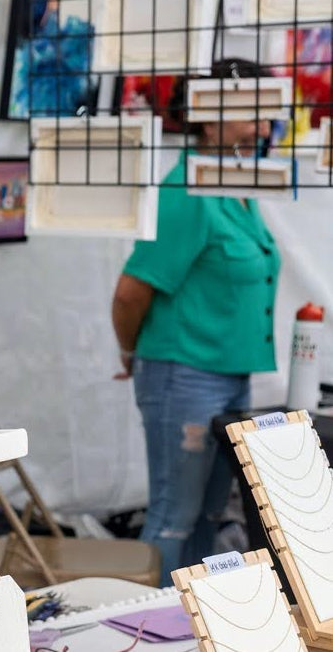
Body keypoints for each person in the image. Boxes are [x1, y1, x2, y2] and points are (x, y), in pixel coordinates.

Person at [111, 60, 281, 585]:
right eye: (251, 115)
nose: (262, 128)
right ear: (207, 119)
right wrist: (130, 352)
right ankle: (151, 631)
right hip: (182, 375)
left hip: (229, 374)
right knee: (173, 518)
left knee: (212, 516)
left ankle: (203, 626)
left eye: (266, 114)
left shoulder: (234, 185)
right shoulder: (184, 191)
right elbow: (129, 292)